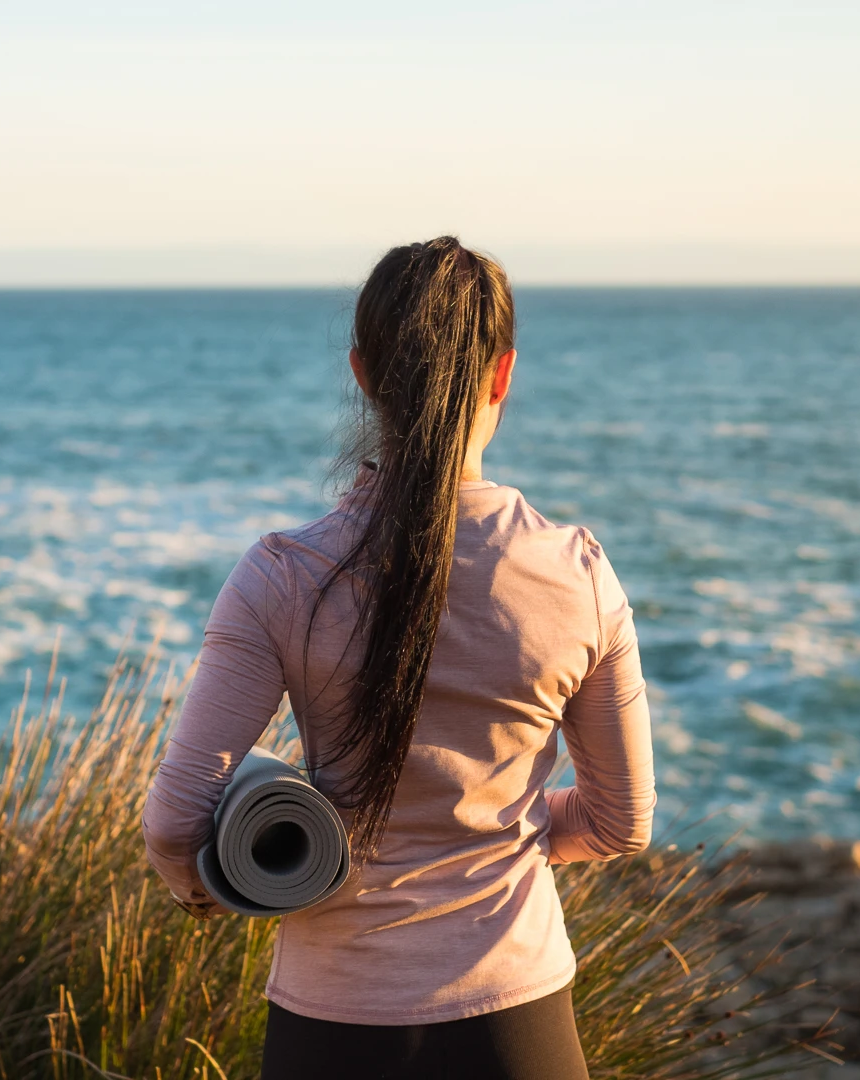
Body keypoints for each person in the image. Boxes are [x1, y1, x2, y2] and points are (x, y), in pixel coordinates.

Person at [142, 237, 656, 1080]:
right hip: (519, 1023)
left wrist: (203, 887)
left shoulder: (282, 576)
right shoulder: (577, 576)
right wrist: (512, 832)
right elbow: (620, 822)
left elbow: (174, 821)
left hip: (332, 1021)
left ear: (363, 374)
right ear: (503, 376)